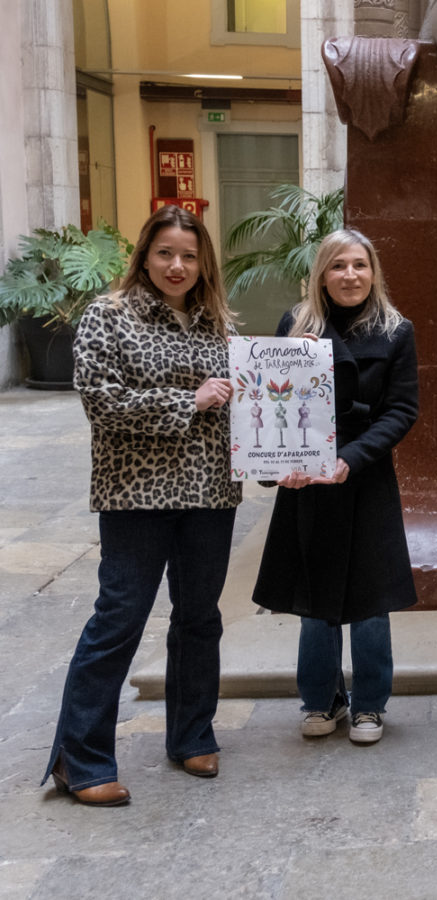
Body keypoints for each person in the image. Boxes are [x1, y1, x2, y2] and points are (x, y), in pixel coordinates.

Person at [42, 205, 241, 805]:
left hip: (210, 492)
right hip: (137, 494)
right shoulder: (109, 315)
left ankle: (190, 734)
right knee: (119, 619)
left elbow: (246, 404)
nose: (177, 266)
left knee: (200, 618)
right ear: (145, 256)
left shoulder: (220, 323)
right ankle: (80, 759)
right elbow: (102, 402)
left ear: (203, 260)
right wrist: (192, 402)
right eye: (165, 253)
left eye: (188, 255)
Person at [252, 229, 419, 746]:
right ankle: (321, 700)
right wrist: (298, 360)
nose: (350, 275)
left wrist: (350, 458)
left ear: (374, 273)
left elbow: (402, 411)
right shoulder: (295, 323)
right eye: (338, 266)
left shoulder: (396, 330)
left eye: (359, 265)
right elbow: (273, 402)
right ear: (321, 274)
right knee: (315, 594)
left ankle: (370, 705)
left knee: (370, 596)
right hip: (307, 478)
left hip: (363, 475)